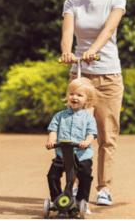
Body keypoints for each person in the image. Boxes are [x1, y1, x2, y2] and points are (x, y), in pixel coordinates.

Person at [60, 0, 126, 206]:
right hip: (81, 76)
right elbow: (68, 32)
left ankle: (104, 188)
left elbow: (108, 30)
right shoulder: (73, 2)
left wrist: (93, 50)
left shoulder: (116, 0)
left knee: (107, 135)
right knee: (76, 133)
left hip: (109, 77)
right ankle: (77, 186)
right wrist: (67, 52)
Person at [45, 77, 98, 215]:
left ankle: (82, 201)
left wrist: (86, 142)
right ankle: (57, 201)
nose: (75, 97)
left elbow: (91, 134)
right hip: (63, 154)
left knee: (85, 175)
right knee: (52, 175)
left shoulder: (89, 118)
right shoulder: (59, 116)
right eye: (72, 94)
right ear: (67, 96)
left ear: (88, 100)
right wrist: (51, 140)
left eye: (79, 95)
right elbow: (53, 131)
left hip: (81, 154)